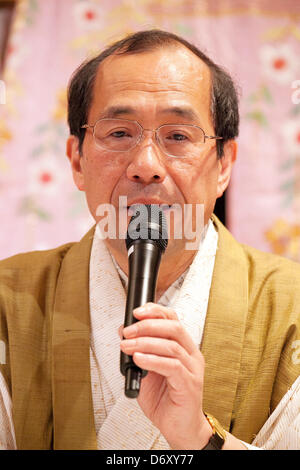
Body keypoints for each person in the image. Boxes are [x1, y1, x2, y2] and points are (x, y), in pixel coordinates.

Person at [0, 29, 299, 451]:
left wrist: (198, 437)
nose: (146, 166)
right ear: (76, 159)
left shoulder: (292, 304)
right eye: (119, 133)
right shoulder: (8, 298)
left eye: (178, 136)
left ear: (224, 165)